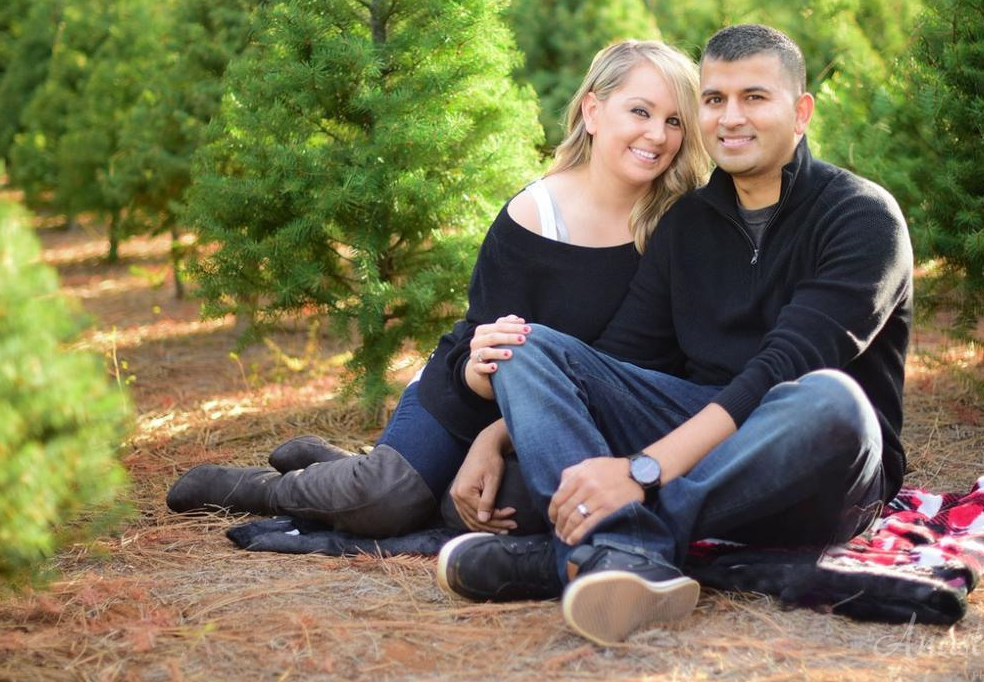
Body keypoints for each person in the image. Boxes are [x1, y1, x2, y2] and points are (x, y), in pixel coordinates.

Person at [435, 23, 915, 646]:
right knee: (526, 348)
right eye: (714, 100)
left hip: (811, 460)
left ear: (800, 113)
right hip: (691, 436)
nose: (730, 118)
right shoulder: (687, 224)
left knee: (833, 400)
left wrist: (639, 472)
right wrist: (495, 437)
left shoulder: (861, 216)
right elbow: (617, 360)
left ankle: (592, 551)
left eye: (754, 97)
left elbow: (778, 372)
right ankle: (621, 549)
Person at [165, 40, 710, 539]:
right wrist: (480, 405)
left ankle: (360, 465)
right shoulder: (536, 215)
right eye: (639, 111)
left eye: (674, 122)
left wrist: (495, 443)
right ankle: (257, 488)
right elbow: (483, 344)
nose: (657, 135)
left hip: (574, 421)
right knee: (386, 501)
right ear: (593, 111)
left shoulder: (676, 227)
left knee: (508, 510)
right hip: (470, 395)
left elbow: (628, 362)